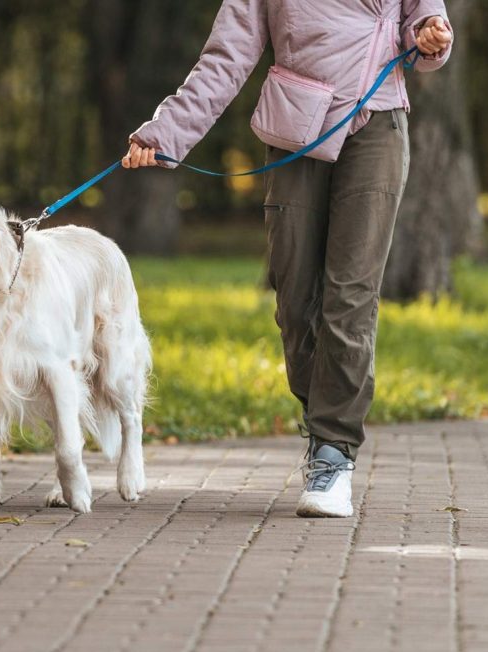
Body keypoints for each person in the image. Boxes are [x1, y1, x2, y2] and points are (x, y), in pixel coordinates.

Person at [123, 1, 453, 518]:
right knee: (295, 299)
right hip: (296, 125)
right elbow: (226, 56)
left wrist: (431, 35)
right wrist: (165, 132)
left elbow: (426, 24)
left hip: (376, 125)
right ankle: (323, 418)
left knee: (350, 294)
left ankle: (333, 449)